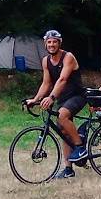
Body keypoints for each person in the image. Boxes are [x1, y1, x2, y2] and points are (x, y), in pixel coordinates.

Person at [25, 29, 86, 179]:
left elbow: (62, 80)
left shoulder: (68, 57)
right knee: (63, 132)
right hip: (63, 98)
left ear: (59, 43)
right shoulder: (45, 61)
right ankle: (68, 169)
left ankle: (80, 147)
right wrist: (35, 99)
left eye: (54, 42)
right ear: (45, 44)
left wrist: (51, 98)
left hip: (77, 96)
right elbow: (46, 83)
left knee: (62, 116)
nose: (52, 45)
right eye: (49, 42)